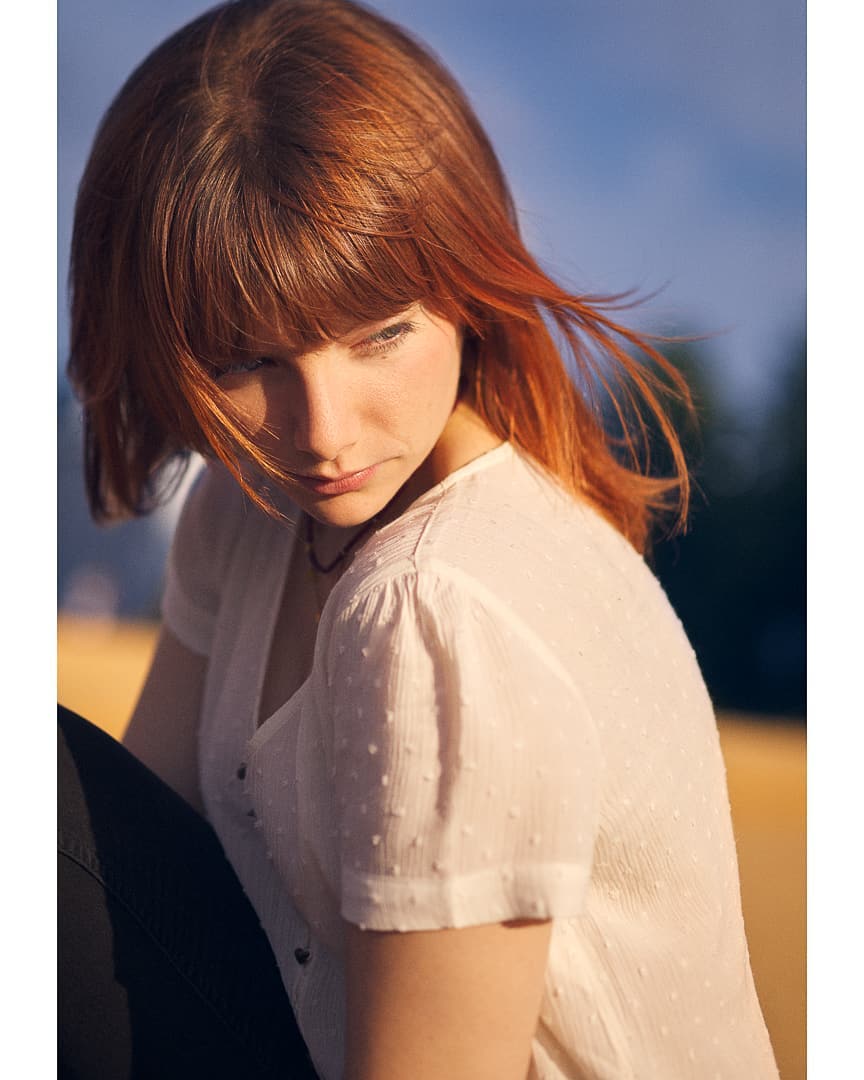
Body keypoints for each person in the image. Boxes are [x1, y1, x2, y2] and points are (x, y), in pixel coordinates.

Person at [60, 1, 779, 1077]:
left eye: (380, 333)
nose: (323, 433)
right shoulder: (247, 512)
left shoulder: (439, 609)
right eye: (244, 361)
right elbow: (128, 875)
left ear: (467, 288)